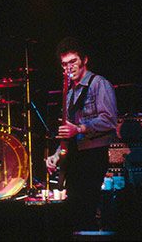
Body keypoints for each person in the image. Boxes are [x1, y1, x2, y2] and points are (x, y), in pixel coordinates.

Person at [45, 36, 118, 232]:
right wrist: (55, 155)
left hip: (93, 156)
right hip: (75, 158)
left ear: (84, 60)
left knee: (85, 211)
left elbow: (109, 120)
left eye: (73, 62)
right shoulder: (69, 93)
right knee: (74, 213)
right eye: (64, 64)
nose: (69, 68)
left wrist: (79, 128)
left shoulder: (98, 84)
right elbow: (68, 132)